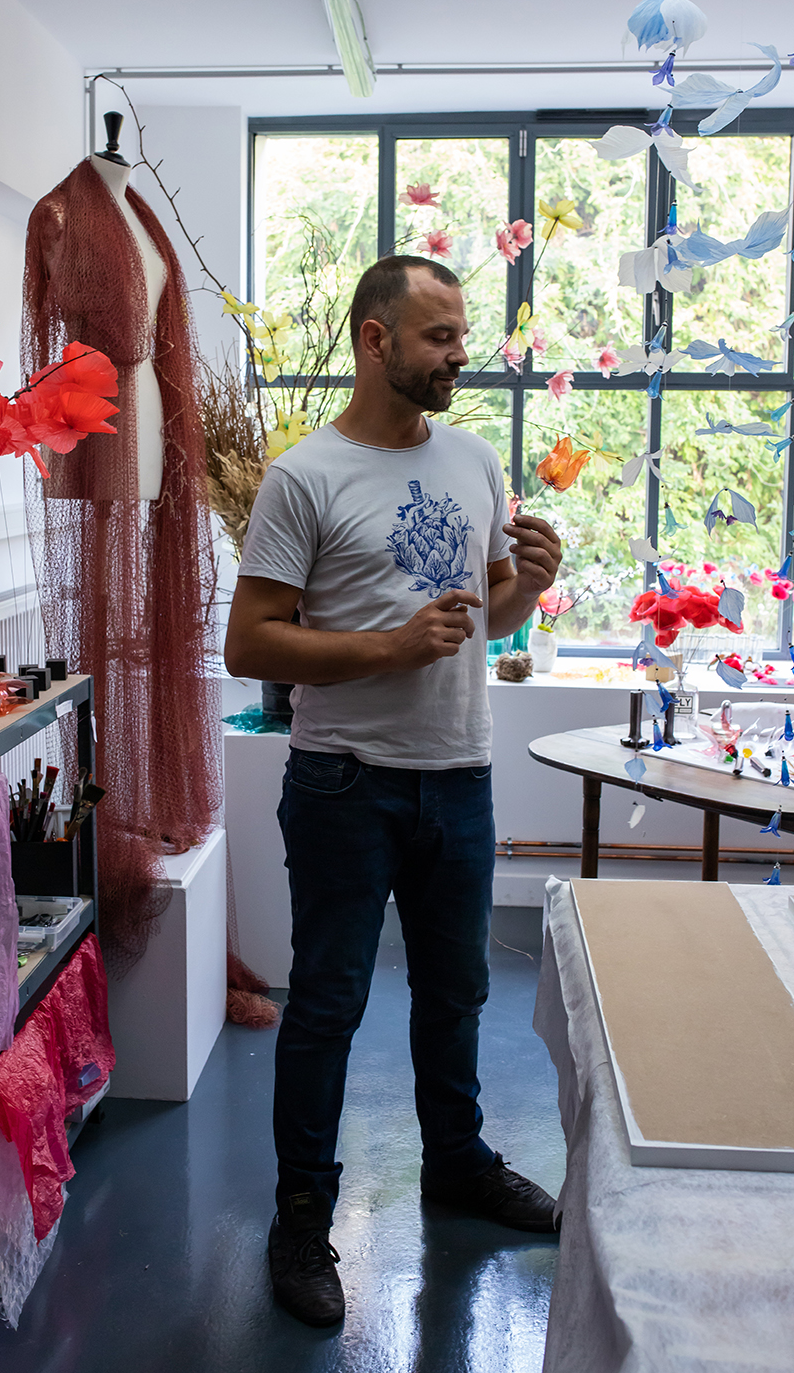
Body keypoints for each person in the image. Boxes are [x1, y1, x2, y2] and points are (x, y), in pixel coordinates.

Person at [224, 255, 563, 1328]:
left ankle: (456, 1165)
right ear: (375, 341)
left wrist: (531, 586)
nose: (460, 352)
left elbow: (481, 618)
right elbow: (249, 644)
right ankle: (300, 1221)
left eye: (461, 333)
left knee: (456, 996)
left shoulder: (472, 459)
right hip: (343, 786)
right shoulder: (304, 475)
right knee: (325, 1008)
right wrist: (390, 647)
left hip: (459, 778)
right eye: (439, 336)